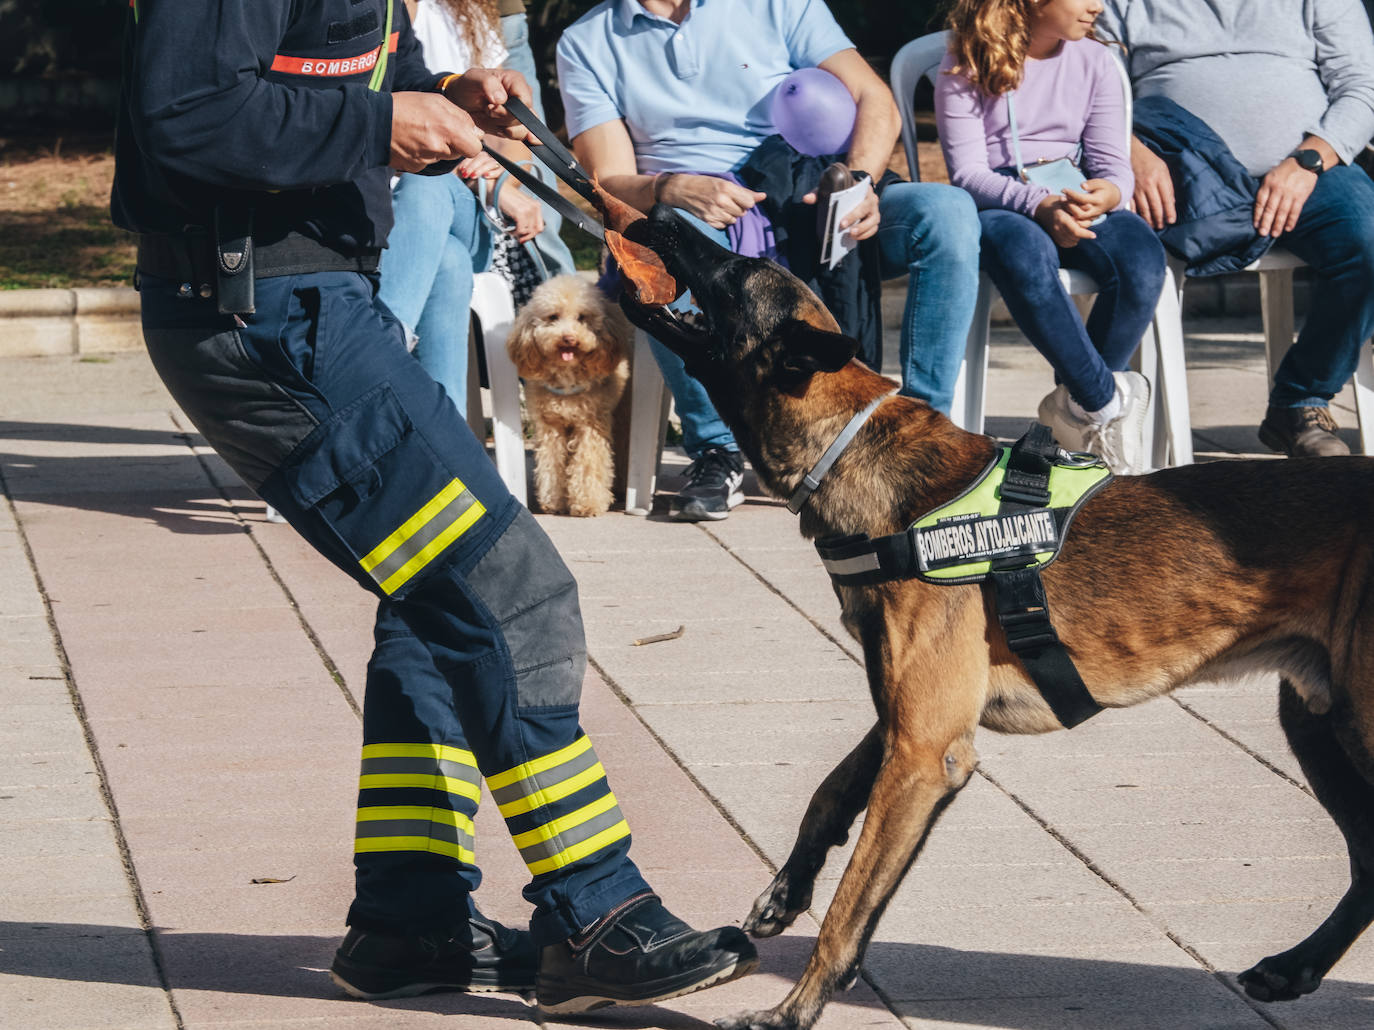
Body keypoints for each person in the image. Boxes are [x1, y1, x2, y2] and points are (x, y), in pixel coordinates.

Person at [111, 0, 756, 1014]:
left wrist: (445, 96)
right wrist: (381, 126)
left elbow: (349, 64)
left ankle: (409, 926)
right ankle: (596, 910)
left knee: (437, 599)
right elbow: (185, 113)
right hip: (267, 316)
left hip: (315, 302)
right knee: (516, 595)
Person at [556, 0, 981, 521]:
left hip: (811, 192)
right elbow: (611, 182)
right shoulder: (587, 41)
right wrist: (671, 186)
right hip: (698, 213)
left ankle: (919, 423)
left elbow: (876, 98)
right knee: (659, 247)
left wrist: (861, 185)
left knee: (946, 211)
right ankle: (718, 450)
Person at [1097, 0, 1374, 458]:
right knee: (1124, 249)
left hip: (1309, 170)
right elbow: (1091, 86)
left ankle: (1300, 400)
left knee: (1368, 241)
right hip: (1178, 172)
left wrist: (1308, 161)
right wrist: (1128, 151)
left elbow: (1362, 87)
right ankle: (1105, 409)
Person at [936, 0, 1166, 474]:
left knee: (1142, 257)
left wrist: (1110, 194)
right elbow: (968, 174)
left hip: (1072, 185)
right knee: (1024, 251)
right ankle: (1104, 406)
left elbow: (1112, 167)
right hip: (1000, 199)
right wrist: (1037, 204)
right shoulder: (967, 57)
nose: (1097, 6)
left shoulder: (1096, 60)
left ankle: (1075, 403)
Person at [380, 0, 545, 409]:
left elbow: (513, 141)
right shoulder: (372, 14)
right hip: (389, 215)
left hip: (466, 207)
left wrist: (500, 180)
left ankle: (374, 360)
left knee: (425, 188)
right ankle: (446, 447)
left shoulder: (466, 13)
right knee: (449, 264)